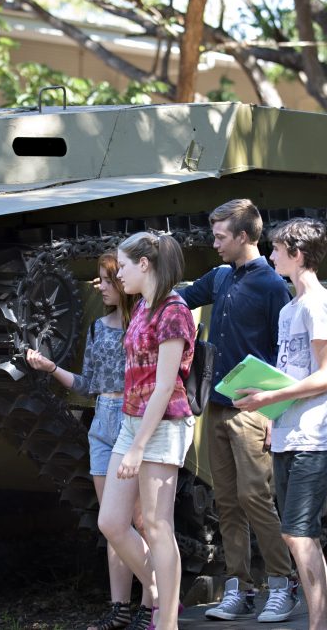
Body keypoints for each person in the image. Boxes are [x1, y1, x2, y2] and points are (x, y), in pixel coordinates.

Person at [176, 199, 298, 623]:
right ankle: (239, 588)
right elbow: (180, 298)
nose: (214, 244)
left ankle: (283, 585)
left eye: (221, 237)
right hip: (217, 407)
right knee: (226, 502)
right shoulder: (221, 276)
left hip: (253, 410)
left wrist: (273, 415)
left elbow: (287, 355)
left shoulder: (272, 286)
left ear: (244, 237)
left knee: (256, 498)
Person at [234, 218, 327, 630]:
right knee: (297, 534)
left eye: (277, 249)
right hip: (287, 433)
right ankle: (326, 623)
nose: (270, 255)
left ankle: (321, 625)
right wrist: (271, 416)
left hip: (316, 435)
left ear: (297, 255)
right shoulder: (289, 309)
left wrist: (271, 399)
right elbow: (289, 370)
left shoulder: (320, 305)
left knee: (299, 533)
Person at [26, 251, 145, 630]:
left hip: (132, 420)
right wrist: (52, 368)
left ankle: (156, 602)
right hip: (102, 424)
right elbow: (89, 385)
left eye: (108, 281)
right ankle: (120, 607)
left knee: (140, 521)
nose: (101, 287)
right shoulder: (98, 326)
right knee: (113, 525)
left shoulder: (142, 326)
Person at [98, 231, 196, 630]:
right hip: (133, 421)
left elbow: (164, 385)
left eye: (121, 266)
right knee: (112, 522)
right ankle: (160, 589)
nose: (117, 274)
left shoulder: (173, 311)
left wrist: (138, 447)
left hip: (164, 424)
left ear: (144, 264)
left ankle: (167, 621)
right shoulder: (141, 307)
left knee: (157, 525)